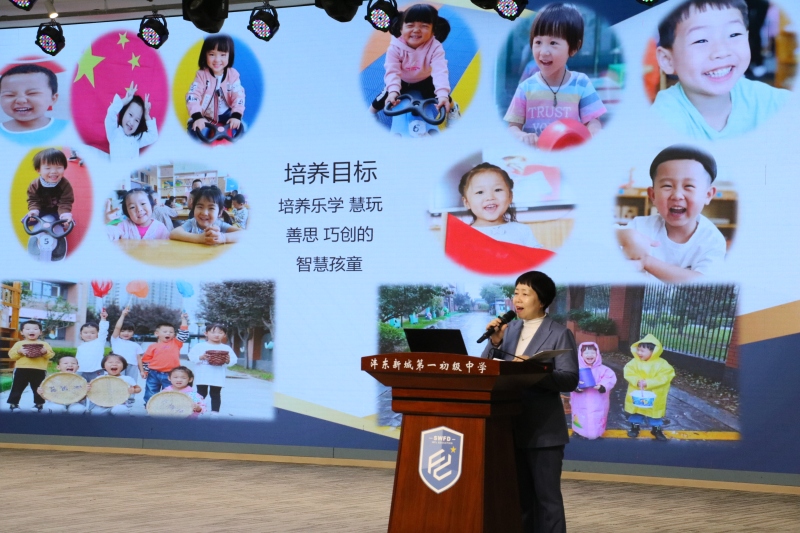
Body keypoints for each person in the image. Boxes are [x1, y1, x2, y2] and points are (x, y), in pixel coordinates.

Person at [480, 271, 578, 533]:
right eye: (516, 293)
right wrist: (495, 342)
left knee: (547, 500)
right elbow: (486, 369)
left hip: (543, 431)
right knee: (518, 498)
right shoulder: (508, 329)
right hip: (508, 426)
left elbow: (569, 379)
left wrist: (533, 371)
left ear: (542, 300)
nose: (517, 299)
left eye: (525, 293)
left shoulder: (559, 333)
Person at [652, 0, 791, 140]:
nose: (722, 52)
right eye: (700, 40)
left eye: (734, 34)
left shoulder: (770, 102)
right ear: (667, 60)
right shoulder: (663, 118)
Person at [617, 145, 726, 283]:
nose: (677, 195)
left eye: (689, 186)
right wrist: (624, 236)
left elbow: (703, 283)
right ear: (652, 195)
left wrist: (646, 261)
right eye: (667, 186)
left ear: (708, 195)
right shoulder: (640, 226)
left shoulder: (712, 240)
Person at [504, 3, 606, 147]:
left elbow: (593, 121)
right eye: (538, 42)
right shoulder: (525, 87)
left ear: (574, 48)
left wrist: (594, 132)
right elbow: (513, 127)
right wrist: (522, 136)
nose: (544, 51)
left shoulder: (581, 83)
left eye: (553, 43)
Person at [369, 4, 460, 124]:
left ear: (433, 31)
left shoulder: (435, 47)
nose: (416, 30)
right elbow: (392, 70)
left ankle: (453, 108)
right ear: (400, 28)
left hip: (425, 79)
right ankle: (371, 113)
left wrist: (442, 94)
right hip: (402, 79)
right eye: (410, 25)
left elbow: (440, 71)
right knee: (384, 96)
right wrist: (393, 91)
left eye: (424, 26)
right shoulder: (395, 47)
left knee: (443, 97)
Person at [458, 163, 543, 248]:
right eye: (480, 192)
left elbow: (537, 255)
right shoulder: (463, 237)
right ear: (466, 202)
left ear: (510, 196)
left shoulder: (522, 231)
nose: (490, 197)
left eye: (497, 190)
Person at [186, 35, 245, 137]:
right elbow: (193, 96)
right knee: (195, 134)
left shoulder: (233, 75)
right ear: (205, 55)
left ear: (229, 55)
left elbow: (239, 96)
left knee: (241, 131)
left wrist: (236, 115)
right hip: (205, 115)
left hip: (227, 113)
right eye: (212, 54)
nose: (217, 60)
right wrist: (197, 116)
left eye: (223, 55)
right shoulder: (201, 75)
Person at [623, 334, 675, 441]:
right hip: (638, 393)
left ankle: (656, 429)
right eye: (638, 350)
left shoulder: (662, 364)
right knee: (636, 411)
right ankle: (635, 427)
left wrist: (649, 382)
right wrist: (637, 381)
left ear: (653, 351)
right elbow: (628, 372)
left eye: (642, 351)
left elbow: (666, 376)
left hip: (655, 395)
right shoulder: (634, 363)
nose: (639, 353)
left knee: (655, 413)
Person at [0, 64, 68, 144]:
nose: (21, 100)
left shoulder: (69, 129)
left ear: (53, 99)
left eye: (32, 93)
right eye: (9, 95)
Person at [188, 323, 238, 416]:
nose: (216, 335)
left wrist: (228, 361)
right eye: (213, 332)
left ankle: (215, 413)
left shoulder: (226, 348)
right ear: (206, 333)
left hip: (217, 376)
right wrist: (201, 357)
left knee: (215, 394)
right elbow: (191, 356)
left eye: (220, 333)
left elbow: (234, 360)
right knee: (200, 394)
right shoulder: (200, 346)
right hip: (202, 375)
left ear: (224, 335)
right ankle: (196, 411)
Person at [569, 342, 617, 440]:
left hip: (598, 401)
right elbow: (569, 380)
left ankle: (597, 432)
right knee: (580, 415)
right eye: (586, 353)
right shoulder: (575, 370)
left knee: (597, 416)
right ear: (581, 355)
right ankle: (579, 431)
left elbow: (609, 379)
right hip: (580, 401)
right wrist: (575, 387)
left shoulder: (603, 369)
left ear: (597, 354)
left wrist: (602, 386)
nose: (590, 355)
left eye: (592, 353)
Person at [6, 320, 55, 413]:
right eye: (27, 329)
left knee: (39, 388)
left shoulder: (44, 344)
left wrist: (45, 352)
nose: (31, 331)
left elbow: (51, 355)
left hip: (39, 369)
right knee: (17, 387)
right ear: (22, 332)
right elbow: (12, 355)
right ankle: (13, 404)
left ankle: (39, 404)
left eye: (35, 329)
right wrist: (19, 351)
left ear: (40, 332)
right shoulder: (19, 344)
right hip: (21, 369)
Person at [140, 315, 189, 405]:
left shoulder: (176, 343)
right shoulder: (152, 346)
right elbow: (146, 360)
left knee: (169, 392)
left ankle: (167, 407)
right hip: (153, 373)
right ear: (157, 333)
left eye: (171, 332)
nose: (168, 334)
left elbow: (183, 333)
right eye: (165, 332)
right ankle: (150, 406)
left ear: (174, 335)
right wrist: (145, 371)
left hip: (171, 373)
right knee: (151, 391)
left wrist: (184, 320)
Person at [170, 185, 242, 245]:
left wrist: (223, 238)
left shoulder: (219, 224)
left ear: (220, 212)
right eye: (200, 207)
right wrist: (199, 238)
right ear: (194, 208)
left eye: (211, 208)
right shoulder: (192, 223)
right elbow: (173, 233)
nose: (204, 213)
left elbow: (244, 234)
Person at [104, 84, 158, 162]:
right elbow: (111, 112)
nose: (132, 122)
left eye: (137, 120)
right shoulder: (114, 133)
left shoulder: (137, 138)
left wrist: (146, 114)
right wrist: (125, 101)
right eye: (130, 115)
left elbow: (153, 136)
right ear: (123, 112)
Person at [26, 148, 74, 225]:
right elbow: (33, 199)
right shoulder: (35, 184)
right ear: (38, 170)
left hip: (58, 210)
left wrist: (64, 214)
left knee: (68, 223)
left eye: (59, 167)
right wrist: (34, 210)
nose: (54, 171)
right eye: (48, 168)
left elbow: (66, 201)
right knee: (28, 220)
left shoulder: (65, 184)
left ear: (64, 168)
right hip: (40, 210)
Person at [105, 188, 170, 241]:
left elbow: (168, 245)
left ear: (151, 205)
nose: (139, 209)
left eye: (143, 204)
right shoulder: (124, 226)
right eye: (132, 207)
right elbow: (110, 233)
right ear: (127, 212)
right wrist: (105, 221)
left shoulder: (160, 227)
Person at [110, 307, 144, 392]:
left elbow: (139, 359)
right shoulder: (115, 340)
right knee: (118, 383)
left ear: (133, 332)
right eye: (123, 331)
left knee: (131, 384)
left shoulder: (136, 345)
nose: (126, 333)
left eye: (129, 331)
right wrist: (123, 315)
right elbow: (117, 327)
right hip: (119, 365)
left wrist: (142, 371)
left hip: (133, 366)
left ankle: (130, 398)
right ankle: (117, 398)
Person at [76, 311, 109, 382]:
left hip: (97, 371)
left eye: (92, 333)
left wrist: (103, 319)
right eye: (85, 333)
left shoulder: (99, 342)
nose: (89, 335)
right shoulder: (80, 346)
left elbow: (103, 331)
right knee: (81, 387)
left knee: (97, 387)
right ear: (81, 334)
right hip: (81, 371)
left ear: (97, 334)